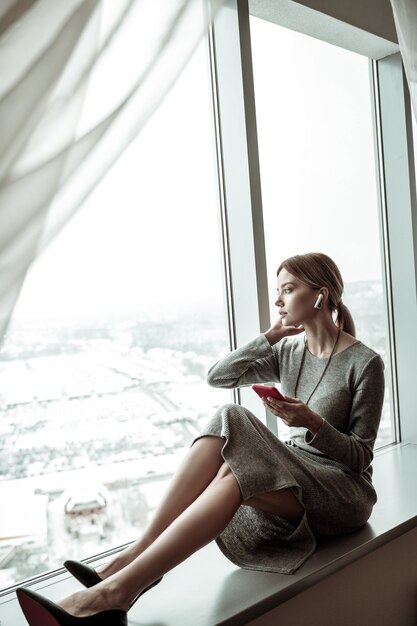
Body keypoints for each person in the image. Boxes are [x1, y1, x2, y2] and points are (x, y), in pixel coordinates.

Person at [16, 252, 385, 625]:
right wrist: (268, 337)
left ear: (320, 295)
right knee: (233, 471)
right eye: (278, 291)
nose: (277, 301)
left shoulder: (365, 363)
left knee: (232, 416)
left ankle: (118, 583)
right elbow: (218, 376)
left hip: (343, 492)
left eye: (287, 290)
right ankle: (122, 583)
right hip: (297, 476)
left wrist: (312, 422)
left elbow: (359, 457)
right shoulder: (289, 351)